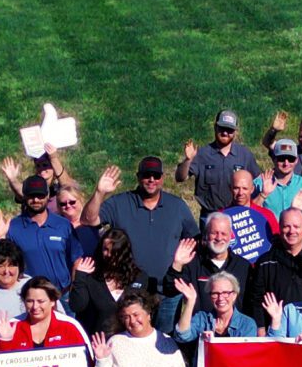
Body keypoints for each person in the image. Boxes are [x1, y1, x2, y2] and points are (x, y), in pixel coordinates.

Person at [97, 156, 199, 289]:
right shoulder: (118, 203)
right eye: (147, 175)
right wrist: (99, 193)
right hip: (128, 285)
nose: (151, 180)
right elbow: (89, 220)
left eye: (156, 176)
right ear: (138, 177)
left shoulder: (178, 206)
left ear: (162, 178)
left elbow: (195, 240)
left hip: (168, 287)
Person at [179, 109, 260, 211]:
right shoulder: (202, 154)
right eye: (222, 128)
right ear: (215, 127)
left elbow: (257, 183)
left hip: (237, 214)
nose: (225, 133)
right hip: (210, 215)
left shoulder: (245, 154)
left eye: (229, 130)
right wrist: (187, 160)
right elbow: (180, 177)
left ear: (235, 131)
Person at [68, 226, 141, 337]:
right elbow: (77, 306)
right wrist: (79, 277)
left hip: (130, 342)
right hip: (97, 343)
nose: (109, 255)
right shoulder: (90, 276)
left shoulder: (139, 277)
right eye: (105, 249)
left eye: (115, 251)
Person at [7, 174, 76, 286]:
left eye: (40, 196)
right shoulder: (13, 227)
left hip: (63, 294)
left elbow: (75, 260)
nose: (36, 200)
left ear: (48, 195)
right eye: (31, 196)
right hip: (30, 295)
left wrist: (74, 289)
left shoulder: (63, 225)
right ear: (24, 196)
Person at [246, 207, 302, 312]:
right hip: (275, 325)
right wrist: (260, 327)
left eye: (296, 226)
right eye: (286, 226)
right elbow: (256, 300)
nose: (292, 231)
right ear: (279, 228)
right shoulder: (265, 261)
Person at [260, 137, 302, 217]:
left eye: (291, 159)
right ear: (274, 159)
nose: (286, 163)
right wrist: (262, 195)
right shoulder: (259, 183)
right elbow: (248, 212)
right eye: (281, 158)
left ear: (296, 160)